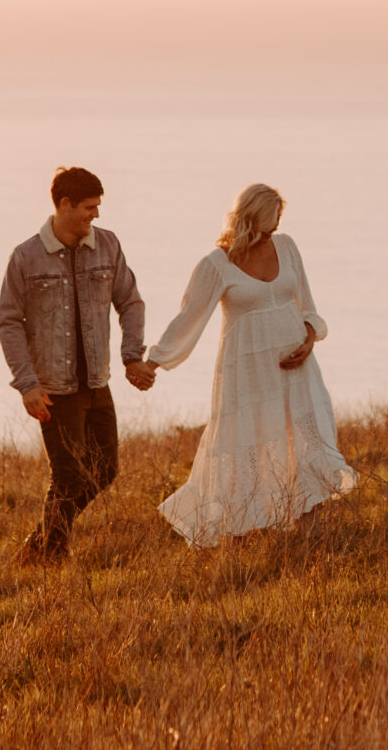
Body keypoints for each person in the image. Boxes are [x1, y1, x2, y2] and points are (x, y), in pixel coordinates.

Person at [142, 183, 355, 546]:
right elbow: (189, 317)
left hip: (297, 369)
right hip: (247, 375)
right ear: (251, 219)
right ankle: (241, 531)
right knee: (249, 447)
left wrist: (308, 338)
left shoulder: (286, 247)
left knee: (307, 440)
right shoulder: (217, 264)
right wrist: (155, 361)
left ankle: (309, 537)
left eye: (278, 223)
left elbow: (307, 305)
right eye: (269, 224)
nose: (274, 230)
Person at [0, 165, 154, 562]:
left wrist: (132, 355)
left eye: (97, 207)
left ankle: (38, 546)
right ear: (64, 205)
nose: (95, 215)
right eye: (89, 207)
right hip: (54, 389)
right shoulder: (26, 257)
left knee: (105, 470)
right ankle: (50, 555)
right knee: (67, 477)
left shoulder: (108, 246)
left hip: (98, 382)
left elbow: (130, 302)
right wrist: (27, 384)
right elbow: (9, 323)